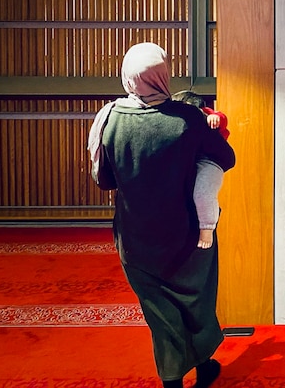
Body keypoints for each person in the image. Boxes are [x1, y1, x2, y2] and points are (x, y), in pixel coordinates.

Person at [87, 42, 235, 388]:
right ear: (164, 74)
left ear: (127, 76)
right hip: (187, 236)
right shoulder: (188, 119)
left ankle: (171, 379)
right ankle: (204, 367)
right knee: (195, 299)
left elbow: (104, 180)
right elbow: (225, 158)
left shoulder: (108, 120)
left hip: (136, 238)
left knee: (159, 311)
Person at [171, 89, 230, 249]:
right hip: (193, 161)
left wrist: (214, 117)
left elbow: (222, 118)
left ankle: (207, 228)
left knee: (203, 192)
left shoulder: (205, 114)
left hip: (210, 162)